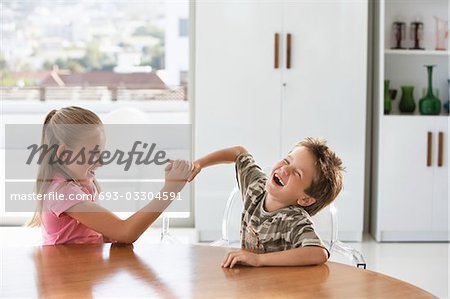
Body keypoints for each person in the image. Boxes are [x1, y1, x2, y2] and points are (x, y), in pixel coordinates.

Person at [28, 106, 192, 245]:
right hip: (68, 278)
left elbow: (106, 235)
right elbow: (124, 233)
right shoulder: (64, 193)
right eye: (93, 153)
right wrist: (171, 188)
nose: (101, 162)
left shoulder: (79, 184)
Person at [189, 137, 344, 267]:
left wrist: (258, 260)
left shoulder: (294, 219)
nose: (285, 169)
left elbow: (318, 253)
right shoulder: (256, 187)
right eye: (287, 160)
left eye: (297, 173)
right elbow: (239, 152)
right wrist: (199, 164)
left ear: (305, 199)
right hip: (250, 285)